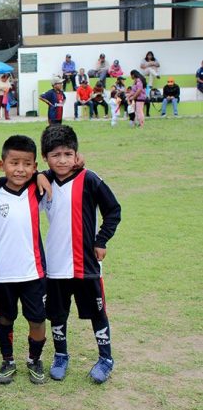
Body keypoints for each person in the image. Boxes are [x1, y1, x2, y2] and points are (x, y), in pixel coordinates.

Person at [40, 125, 121, 384]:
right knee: (57, 313)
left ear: (76, 155)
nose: (62, 160)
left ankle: (106, 358)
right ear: (46, 158)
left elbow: (113, 210)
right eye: (55, 155)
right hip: (55, 264)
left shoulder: (90, 179)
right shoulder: (43, 182)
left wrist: (101, 240)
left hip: (85, 264)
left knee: (97, 312)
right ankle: (61, 355)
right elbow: (17, 176)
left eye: (67, 154)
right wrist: (38, 174)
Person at [0, 135, 47, 386]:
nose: (20, 169)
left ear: (34, 166)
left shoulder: (38, 188)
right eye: (14, 163)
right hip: (3, 273)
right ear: (2, 164)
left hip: (33, 272)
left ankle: (34, 359)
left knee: (37, 319)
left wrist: (43, 174)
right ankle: (8, 360)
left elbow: (69, 168)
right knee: (5, 318)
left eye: (27, 164)